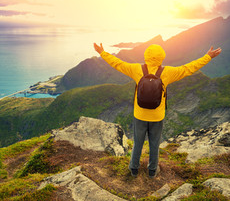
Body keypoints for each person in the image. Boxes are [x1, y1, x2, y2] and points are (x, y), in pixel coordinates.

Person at [93, 43, 221, 178]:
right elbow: (189, 68)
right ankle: (152, 171)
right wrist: (208, 57)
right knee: (154, 144)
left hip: (140, 115)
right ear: (162, 58)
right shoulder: (168, 72)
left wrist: (102, 52)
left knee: (138, 143)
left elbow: (117, 63)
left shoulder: (136, 69)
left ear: (146, 56)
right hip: (157, 116)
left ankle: (134, 169)